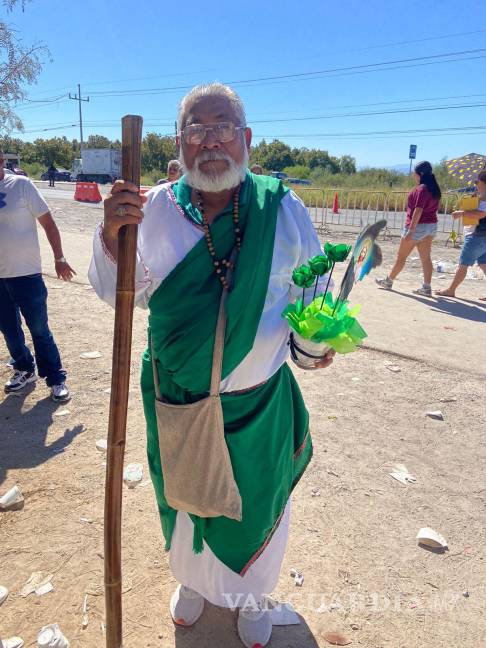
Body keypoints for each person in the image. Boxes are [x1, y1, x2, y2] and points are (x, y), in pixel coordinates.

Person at [89, 82, 335, 648]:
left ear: (246, 139)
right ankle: (192, 587)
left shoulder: (282, 206)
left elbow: (313, 291)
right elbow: (119, 293)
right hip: (176, 399)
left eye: (223, 127)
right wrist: (109, 233)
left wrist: (312, 344)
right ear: (178, 143)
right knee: (182, 506)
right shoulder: (150, 209)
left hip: (258, 408)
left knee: (256, 513)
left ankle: (251, 600)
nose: (211, 141)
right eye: (195, 130)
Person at [0, 150, 75, 402]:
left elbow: (48, 223)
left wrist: (60, 258)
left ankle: (55, 378)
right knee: (9, 330)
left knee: (39, 329)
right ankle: (24, 368)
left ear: (2, 161)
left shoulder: (20, 185)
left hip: (26, 274)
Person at [376, 160, 441, 296]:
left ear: (420, 174)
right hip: (431, 225)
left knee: (401, 257)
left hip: (417, 226)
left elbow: (418, 210)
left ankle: (388, 281)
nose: (414, 176)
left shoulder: (422, 189)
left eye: (415, 174)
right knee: (426, 258)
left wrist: (411, 230)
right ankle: (427, 287)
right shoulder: (434, 188)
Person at [436, 170, 486, 299]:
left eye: (477, 181)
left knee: (463, 264)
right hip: (482, 236)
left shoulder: (484, 199)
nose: (476, 183)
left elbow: (481, 214)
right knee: (483, 264)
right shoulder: (481, 196)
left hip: (477, 235)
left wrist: (462, 213)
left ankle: (451, 290)